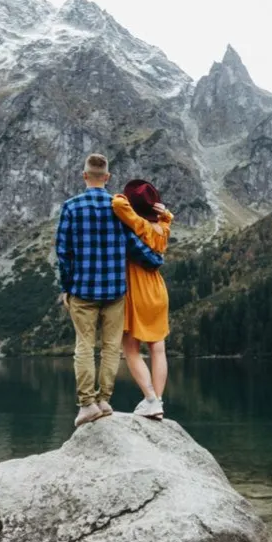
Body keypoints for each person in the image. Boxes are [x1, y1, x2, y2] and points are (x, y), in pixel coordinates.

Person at [56, 154, 165, 427]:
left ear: (84, 176)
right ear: (107, 177)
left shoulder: (71, 207)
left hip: (82, 289)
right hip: (116, 291)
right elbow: (133, 244)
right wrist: (155, 261)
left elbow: (64, 253)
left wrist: (66, 288)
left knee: (84, 346)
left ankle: (87, 404)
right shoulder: (118, 208)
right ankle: (104, 401)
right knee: (110, 348)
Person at [112, 180, 172, 420]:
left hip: (136, 291)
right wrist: (165, 213)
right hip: (157, 289)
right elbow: (168, 219)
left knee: (130, 349)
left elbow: (117, 203)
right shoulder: (162, 229)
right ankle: (158, 402)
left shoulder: (136, 224)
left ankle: (150, 399)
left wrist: (125, 198)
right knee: (158, 348)